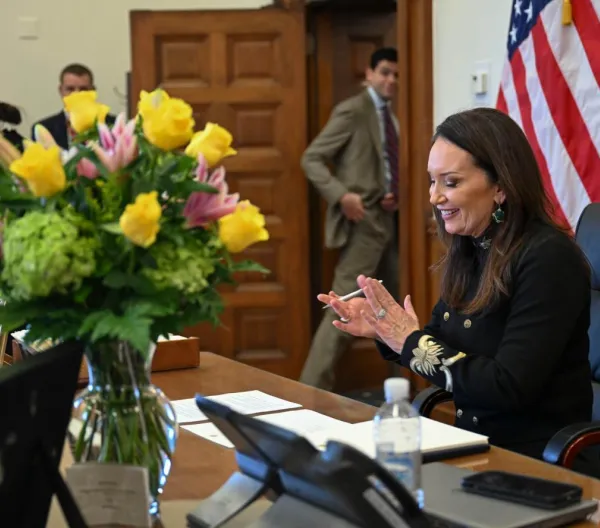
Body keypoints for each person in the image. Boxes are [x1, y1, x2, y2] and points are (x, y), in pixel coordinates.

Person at [322, 107, 593, 460]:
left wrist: (409, 340)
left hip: (537, 460)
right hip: (474, 446)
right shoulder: (473, 246)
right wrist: (386, 330)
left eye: (451, 182)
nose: (435, 197)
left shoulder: (548, 259)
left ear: (500, 187)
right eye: (432, 181)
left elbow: (506, 387)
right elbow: (442, 342)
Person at [299, 47, 400, 391]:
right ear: (369, 74)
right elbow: (312, 158)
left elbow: (385, 164)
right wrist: (342, 196)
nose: (391, 80)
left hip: (391, 223)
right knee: (341, 306)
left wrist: (389, 191)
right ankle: (309, 392)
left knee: (395, 312)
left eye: (396, 75)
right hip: (363, 226)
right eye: (385, 72)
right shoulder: (353, 110)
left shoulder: (394, 114)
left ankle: (402, 393)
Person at [31, 63, 115, 149]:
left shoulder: (113, 124)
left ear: (93, 90)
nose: (76, 94)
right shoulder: (44, 128)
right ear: (61, 90)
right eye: (70, 89)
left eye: (83, 89)